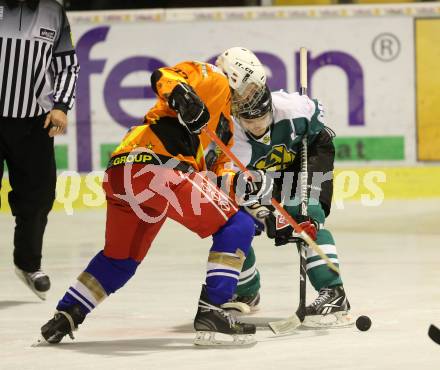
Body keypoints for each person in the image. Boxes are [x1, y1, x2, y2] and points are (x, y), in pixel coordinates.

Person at [38, 60, 279, 346]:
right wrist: (183, 96)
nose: (250, 98)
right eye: (250, 89)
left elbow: (221, 173)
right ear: (235, 76)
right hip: (160, 168)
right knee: (236, 226)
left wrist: (245, 195)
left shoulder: (225, 125)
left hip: (124, 171)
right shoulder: (214, 78)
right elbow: (164, 76)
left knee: (120, 261)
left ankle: (67, 314)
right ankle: (213, 311)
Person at [216, 47, 352, 327]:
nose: (257, 126)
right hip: (263, 174)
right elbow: (245, 189)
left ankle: (333, 292)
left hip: (307, 155)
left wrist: (290, 213)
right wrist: (265, 215)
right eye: (249, 120)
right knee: (233, 222)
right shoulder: (234, 138)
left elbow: (318, 114)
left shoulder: (293, 108)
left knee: (304, 216)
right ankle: (247, 291)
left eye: (263, 118)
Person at [0, 0, 80, 300]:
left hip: (34, 123)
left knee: (38, 198)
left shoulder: (53, 12)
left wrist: (61, 106)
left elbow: (67, 66)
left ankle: (28, 264)